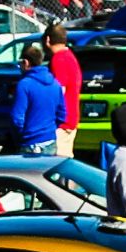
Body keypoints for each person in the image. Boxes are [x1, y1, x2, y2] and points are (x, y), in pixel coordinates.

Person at [10, 43, 66, 155]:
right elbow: (62, 115)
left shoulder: (24, 85)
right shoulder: (55, 84)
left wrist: (23, 134)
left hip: (29, 142)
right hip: (50, 141)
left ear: (26, 62)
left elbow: (17, 118)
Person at [45, 26, 83, 158]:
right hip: (71, 117)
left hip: (62, 121)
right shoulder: (70, 56)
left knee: (58, 162)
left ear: (48, 40)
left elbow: (59, 90)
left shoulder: (59, 59)